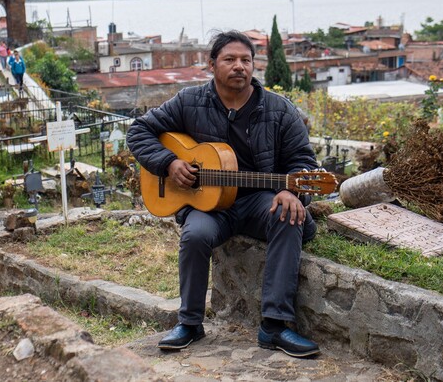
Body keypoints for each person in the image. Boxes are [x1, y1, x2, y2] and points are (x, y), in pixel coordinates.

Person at [126, 30, 320, 358]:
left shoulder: (279, 110)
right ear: (212, 64)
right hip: (209, 206)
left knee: (288, 217)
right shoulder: (189, 101)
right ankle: (189, 322)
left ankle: (274, 326)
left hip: (258, 202)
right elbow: (139, 130)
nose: (239, 66)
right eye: (229, 59)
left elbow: (303, 164)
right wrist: (169, 163)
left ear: (254, 66)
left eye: (246, 60)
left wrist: (293, 193)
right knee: (195, 234)